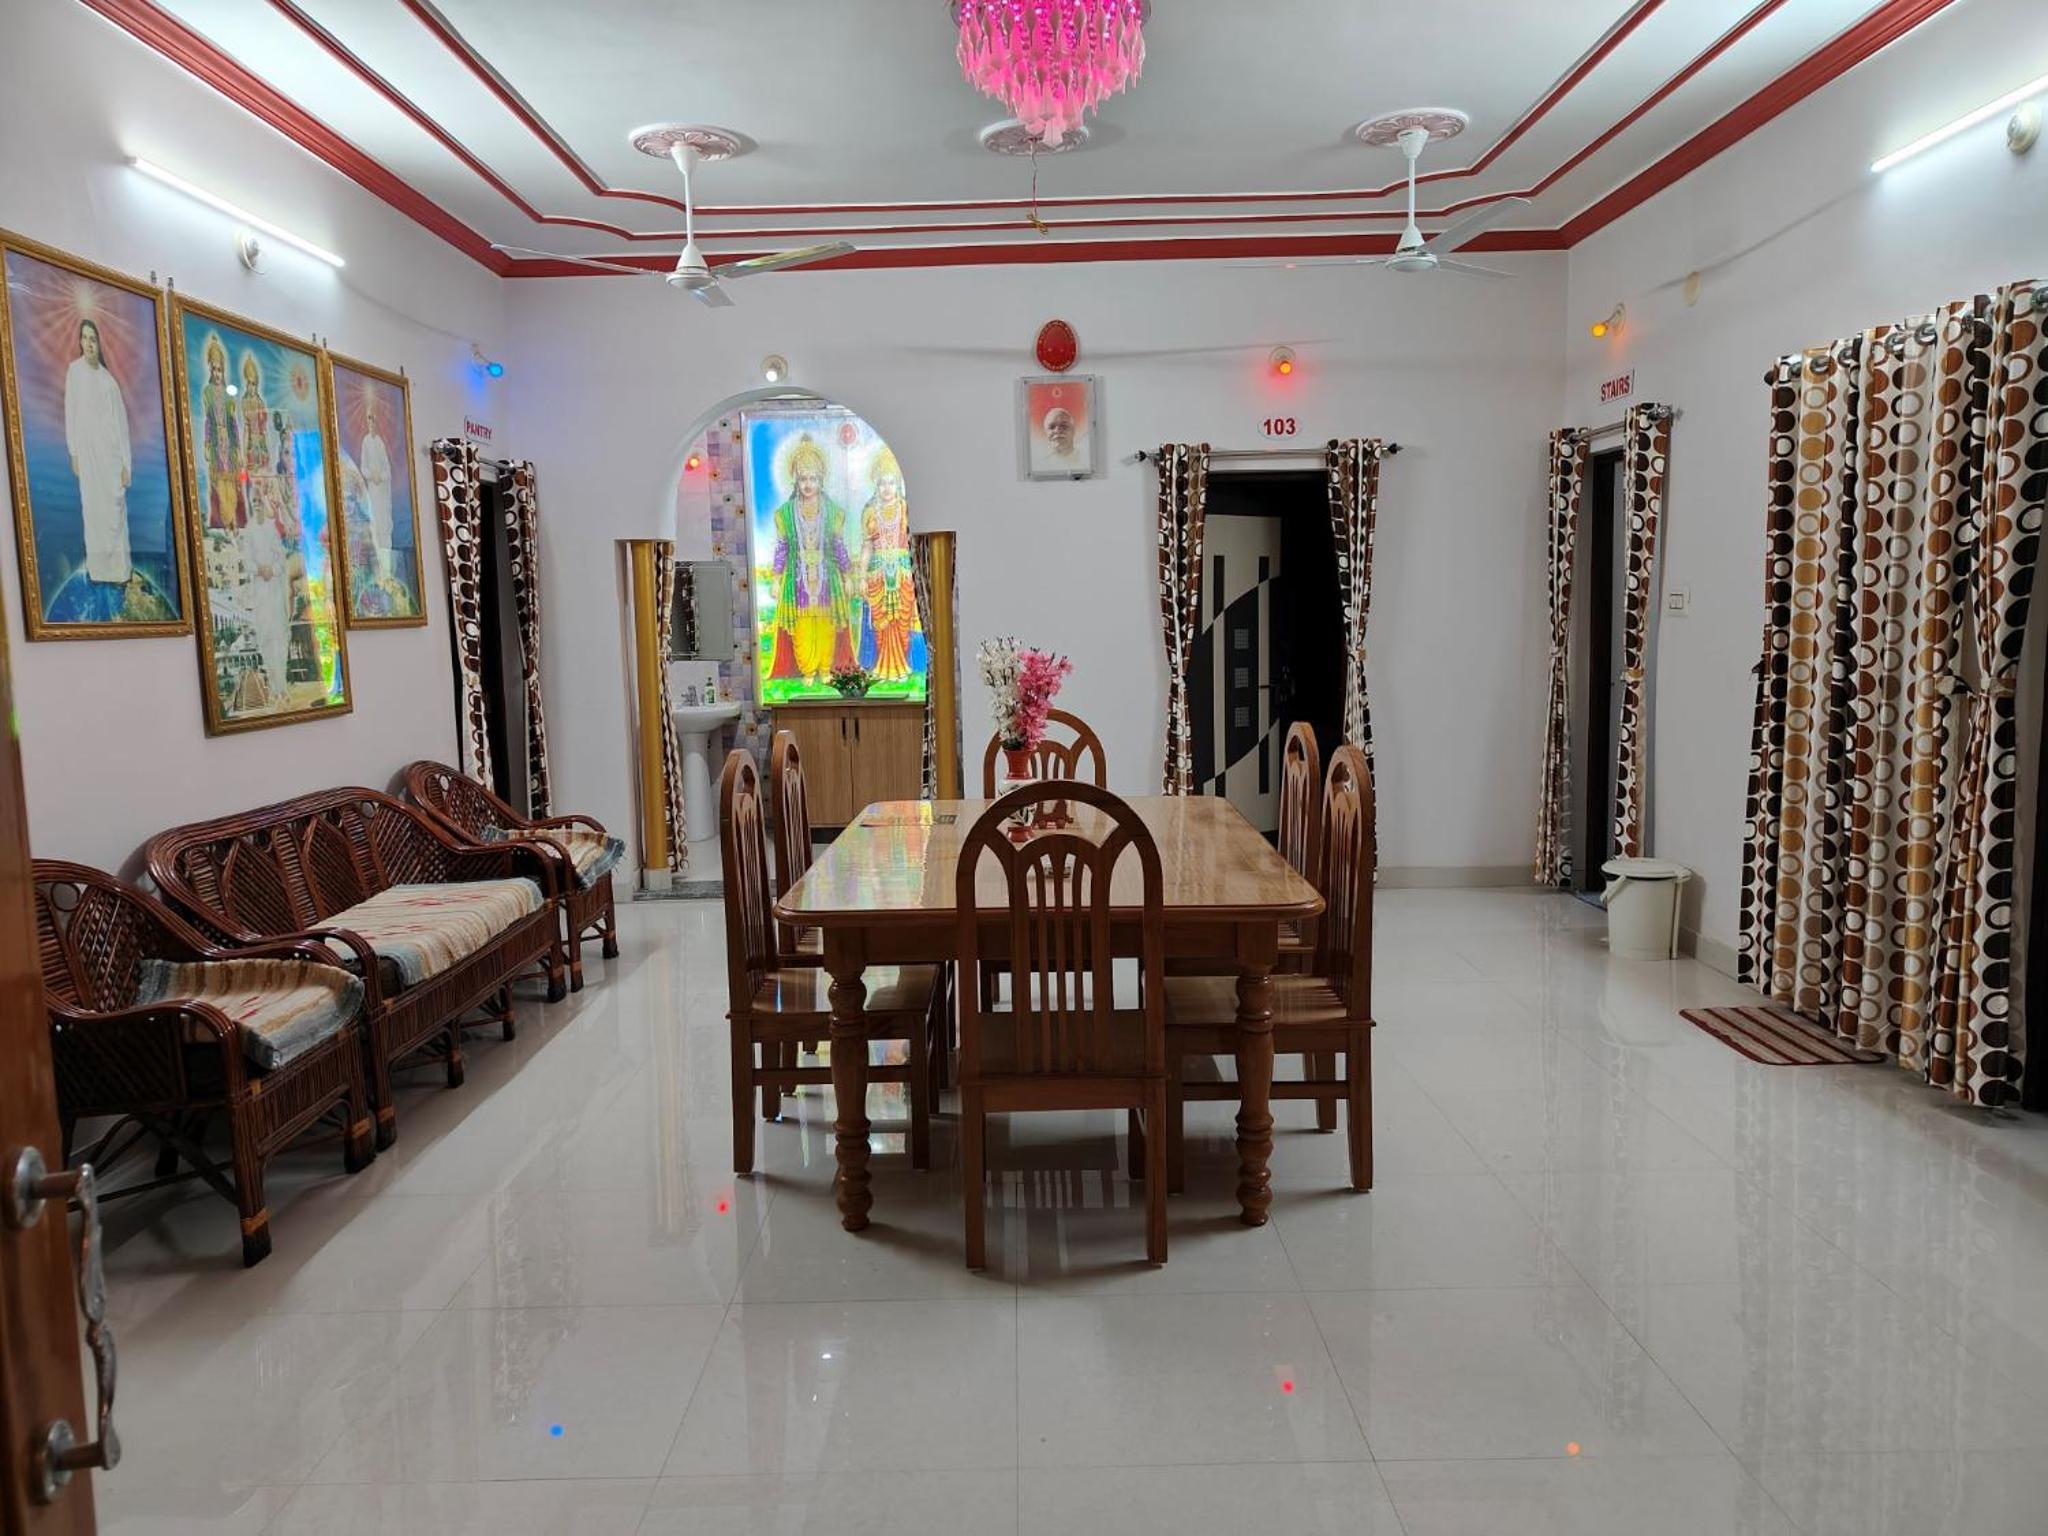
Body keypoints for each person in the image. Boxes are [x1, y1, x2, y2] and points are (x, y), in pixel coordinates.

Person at [766, 434, 852, 686]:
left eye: (812, 479)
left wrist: (847, 576)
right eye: (803, 479)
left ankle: (825, 669)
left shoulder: (833, 511)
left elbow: (838, 546)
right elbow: (782, 547)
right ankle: (807, 670)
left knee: (826, 624)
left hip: (827, 581)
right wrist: (776, 579)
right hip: (797, 581)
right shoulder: (785, 513)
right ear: (795, 479)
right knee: (802, 626)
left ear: (821, 479)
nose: (807, 484)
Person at [63, 319, 133, 586]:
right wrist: (74, 452)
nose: (89, 344)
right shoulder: (74, 372)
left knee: (114, 513)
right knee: (93, 513)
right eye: (85, 338)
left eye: (93, 339)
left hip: (110, 459)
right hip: (88, 458)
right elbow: (70, 412)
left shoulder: (109, 382)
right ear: (80, 341)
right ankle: (99, 571)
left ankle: (120, 573)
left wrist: (126, 465)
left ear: (99, 344)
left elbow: (121, 428)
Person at [858, 447, 918, 682]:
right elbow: (867, 547)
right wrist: (862, 577)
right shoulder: (870, 512)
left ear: (898, 485)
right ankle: (882, 667)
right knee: (881, 622)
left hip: (902, 573)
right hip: (878, 575)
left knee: (901, 621)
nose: (886, 488)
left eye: (891, 482)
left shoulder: (906, 509)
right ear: (876, 484)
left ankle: (902, 666)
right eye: (882, 483)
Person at [199, 334, 241, 529]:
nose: (217, 373)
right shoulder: (207, 392)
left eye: (220, 370)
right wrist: (207, 444)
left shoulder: (229, 395)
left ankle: (233, 522)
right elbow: (208, 420)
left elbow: (233, 423)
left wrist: (237, 448)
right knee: (220, 487)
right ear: (210, 370)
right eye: (214, 369)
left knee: (232, 485)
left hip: (229, 446)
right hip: (217, 446)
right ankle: (225, 523)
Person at [358, 401, 393, 581]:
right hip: (373, 489)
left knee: (384, 523)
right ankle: (378, 568)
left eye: (373, 418)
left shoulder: (380, 442)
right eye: (369, 418)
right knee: (375, 524)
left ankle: (387, 568)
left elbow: (387, 468)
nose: (371, 421)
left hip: (382, 491)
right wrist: (372, 475)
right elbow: (363, 467)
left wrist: (382, 476)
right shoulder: (366, 442)